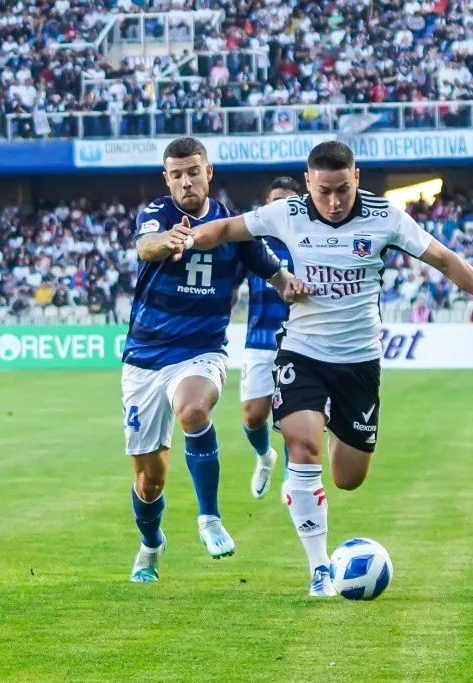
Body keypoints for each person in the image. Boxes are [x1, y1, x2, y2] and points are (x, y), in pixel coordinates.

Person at [172, 141, 473, 597]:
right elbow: (225, 229)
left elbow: (444, 259)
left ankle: (314, 469)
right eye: (324, 191)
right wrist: (186, 237)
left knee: (348, 477)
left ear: (356, 178)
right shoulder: (288, 214)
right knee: (302, 449)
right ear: (307, 183)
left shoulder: (386, 218)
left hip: (359, 362)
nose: (335, 201)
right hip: (301, 353)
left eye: (342, 189)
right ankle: (319, 568)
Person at [122, 137, 306, 584]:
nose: (186, 181)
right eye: (176, 174)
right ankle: (151, 544)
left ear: (209, 173)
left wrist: (295, 286)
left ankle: (209, 518)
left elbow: (274, 273)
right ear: (167, 179)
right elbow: (145, 246)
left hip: (202, 351)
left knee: (194, 408)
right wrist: (168, 241)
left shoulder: (232, 226)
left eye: (193, 172)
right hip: (145, 357)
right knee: (150, 482)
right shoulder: (157, 215)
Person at [235, 176, 302, 499]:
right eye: (275, 200)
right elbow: (231, 289)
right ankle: (264, 456)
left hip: (300, 342)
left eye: (289, 201)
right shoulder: (253, 243)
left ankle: (294, 484)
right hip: (259, 341)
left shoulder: (308, 241)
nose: (281, 207)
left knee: (294, 416)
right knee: (253, 415)